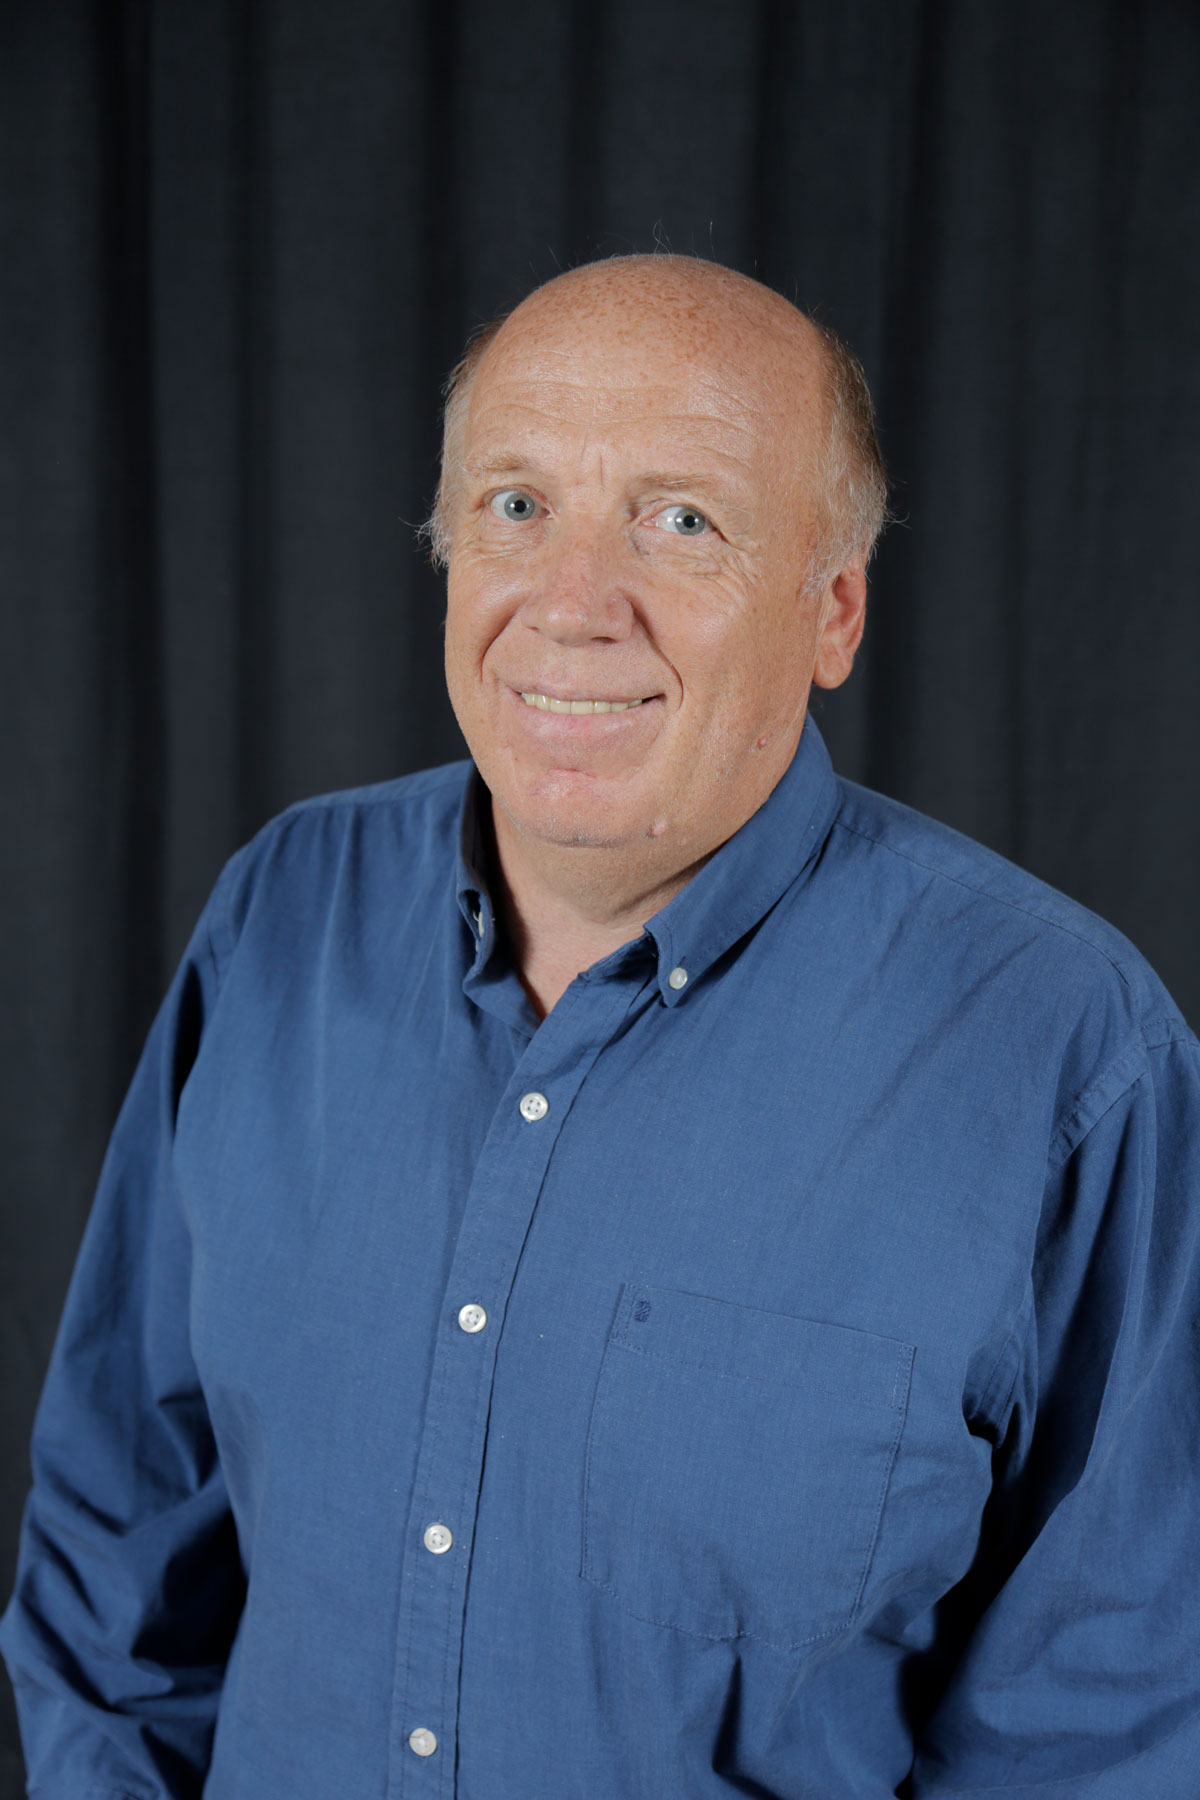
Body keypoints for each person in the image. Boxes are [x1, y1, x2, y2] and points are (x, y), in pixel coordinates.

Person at [3, 254, 1199, 1799]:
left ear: (834, 609)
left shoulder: (1066, 1055)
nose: (570, 607)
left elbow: (1108, 1731)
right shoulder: (282, 915)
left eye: (681, 521)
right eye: (517, 506)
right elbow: (117, 1548)